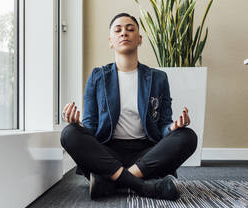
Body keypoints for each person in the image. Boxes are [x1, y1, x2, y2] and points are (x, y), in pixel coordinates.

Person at [60, 13, 197, 200]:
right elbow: (90, 126)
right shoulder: (98, 76)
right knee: (69, 134)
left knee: (187, 136)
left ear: (139, 39)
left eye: (130, 29)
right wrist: (76, 123)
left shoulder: (158, 78)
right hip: (107, 153)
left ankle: (111, 181)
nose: (124, 33)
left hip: (146, 154)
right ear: (111, 41)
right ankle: (145, 186)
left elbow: (163, 125)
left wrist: (173, 127)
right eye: (118, 30)